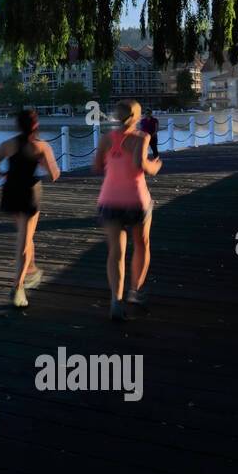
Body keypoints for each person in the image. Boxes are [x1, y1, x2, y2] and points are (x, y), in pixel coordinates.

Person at [92, 98, 162, 321]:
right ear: (138, 117)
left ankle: (115, 300)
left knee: (116, 252)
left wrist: (111, 159)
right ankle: (136, 292)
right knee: (141, 244)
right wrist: (156, 166)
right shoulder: (142, 137)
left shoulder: (106, 139)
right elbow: (141, 164)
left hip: (110, 200)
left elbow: (96, 166)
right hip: (136, 200)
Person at [0, 109, 60, 308]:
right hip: (29, 193)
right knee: (25, 239)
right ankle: (18, 287)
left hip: (11, 192)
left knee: (25, 235)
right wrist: (50, 169)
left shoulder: (7, 144)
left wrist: (3, 174)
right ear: (35, 125)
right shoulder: (41, 146)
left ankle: (31, 268)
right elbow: (53, 172)